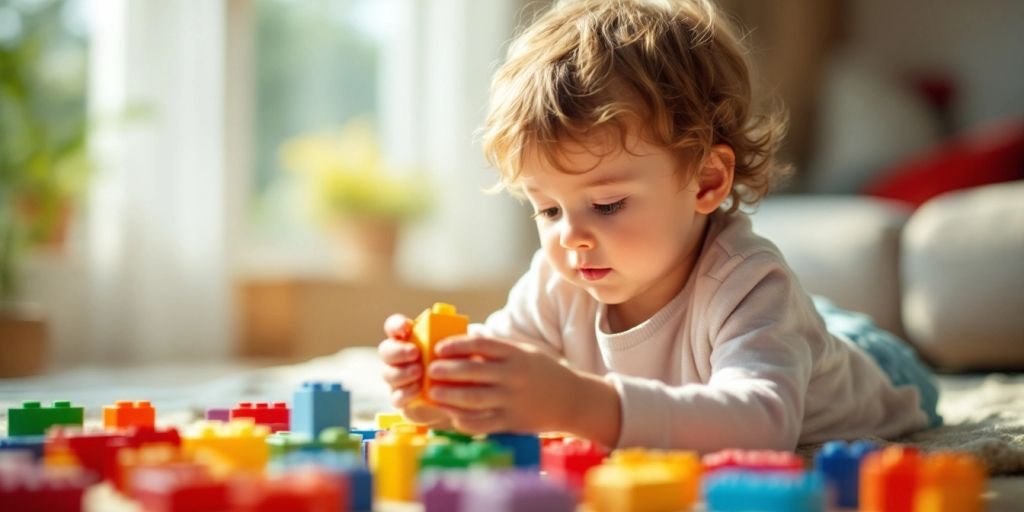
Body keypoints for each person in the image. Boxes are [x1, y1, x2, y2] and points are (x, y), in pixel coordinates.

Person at [377, 0, 941, 452]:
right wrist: (433, 386)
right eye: (547, 209)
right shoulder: (558, 278)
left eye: (606, 205)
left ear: (705, 182)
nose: (569, 236)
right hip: (787, 329)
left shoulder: (748, 283)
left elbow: (764, 425)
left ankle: (824, 325)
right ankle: (814, 319)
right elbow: (496, 386)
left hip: (876, 367)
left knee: (826, 334)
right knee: (795, 323)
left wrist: (579, 404)